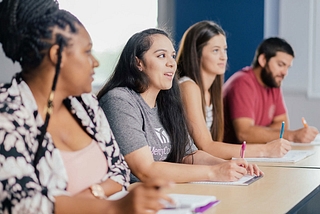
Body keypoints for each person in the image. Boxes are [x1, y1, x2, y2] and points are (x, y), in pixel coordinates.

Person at [0, 0, 173, 213]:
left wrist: (88, 198)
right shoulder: (7, 114)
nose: (95, 62)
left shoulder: (86, 104)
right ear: (58, 56)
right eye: (87, 52)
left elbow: (119, 171)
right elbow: (24, 204)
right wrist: (112, 206)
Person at [97, 28, 263, 184]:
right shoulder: (119, 100)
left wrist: (231, 166)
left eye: (172, 55)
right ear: (138, 63)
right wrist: (213, 172)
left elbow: (189, 154)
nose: (171, 63)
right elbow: (145, 170)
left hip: (164, 192)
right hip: (130, 198)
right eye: (161, 56)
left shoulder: (167, 102)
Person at [176, 20, 291, 160]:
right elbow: (206, 146)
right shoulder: (188, 86)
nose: (223, 56)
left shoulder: (211, 91)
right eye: (215, 50)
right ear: (197, 54)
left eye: (224, 49)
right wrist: (265, 150)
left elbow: (214, 144)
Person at [223, 37, 319, 144]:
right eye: (280, 65)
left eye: (287, 67)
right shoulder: (242, 83)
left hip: (256, 153)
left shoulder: (273, 83)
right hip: (233, 156)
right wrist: (292, 136)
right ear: (263, 60)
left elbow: (283, 125)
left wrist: (257, 133)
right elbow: (244, 134)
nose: (285, 72)